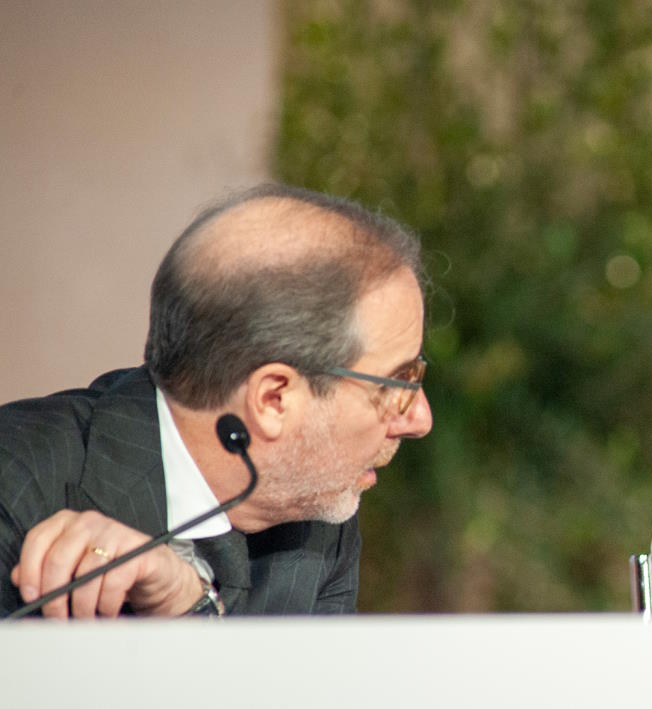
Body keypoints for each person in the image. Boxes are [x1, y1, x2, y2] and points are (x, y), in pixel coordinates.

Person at [0, 183, 433, 618]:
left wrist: (191, 607)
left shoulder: (318, 519)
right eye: (398, 383)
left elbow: (303, 690)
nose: (420, 418)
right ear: (273, 398)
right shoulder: (14, 484)